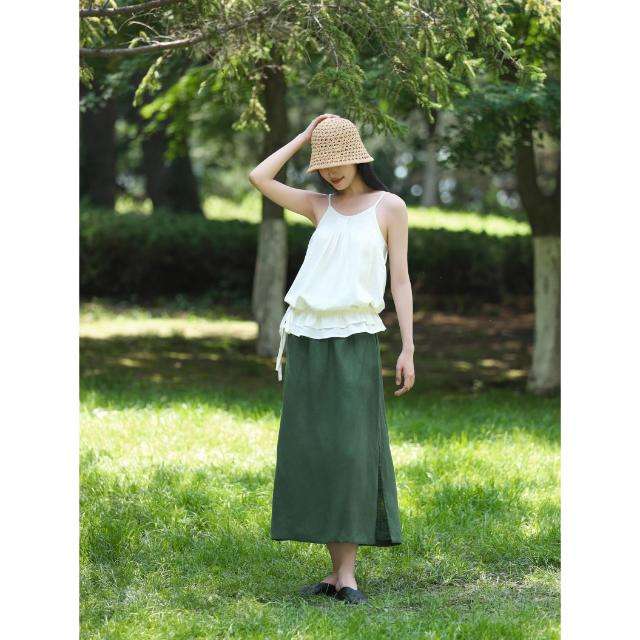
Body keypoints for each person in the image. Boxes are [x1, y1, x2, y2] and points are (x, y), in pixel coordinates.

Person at [248, 114, 415, 605]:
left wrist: (408, 346)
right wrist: (304, 138)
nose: (331, 172)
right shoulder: (318, 206)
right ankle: (337, 574)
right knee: (317, 450)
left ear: (358, 156)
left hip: (355, 340)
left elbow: (400, 281)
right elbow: (259, 177)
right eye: (323, 164)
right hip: (306, 339)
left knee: (350, 452)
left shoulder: (389, 207)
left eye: (338, 160)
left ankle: (348, 574)